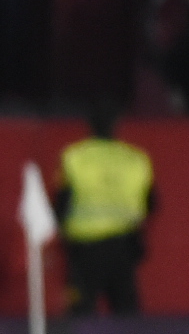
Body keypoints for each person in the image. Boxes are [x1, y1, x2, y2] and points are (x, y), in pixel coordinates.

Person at [54, 104, 156, 315]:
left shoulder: (75, 157)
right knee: (126, 313)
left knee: (80, 312)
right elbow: (152, 204)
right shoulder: (135, 160)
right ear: (116, 125)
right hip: (124, 247)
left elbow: (61, 203)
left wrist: (61, 240)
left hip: (85, 249)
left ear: (89, 125)